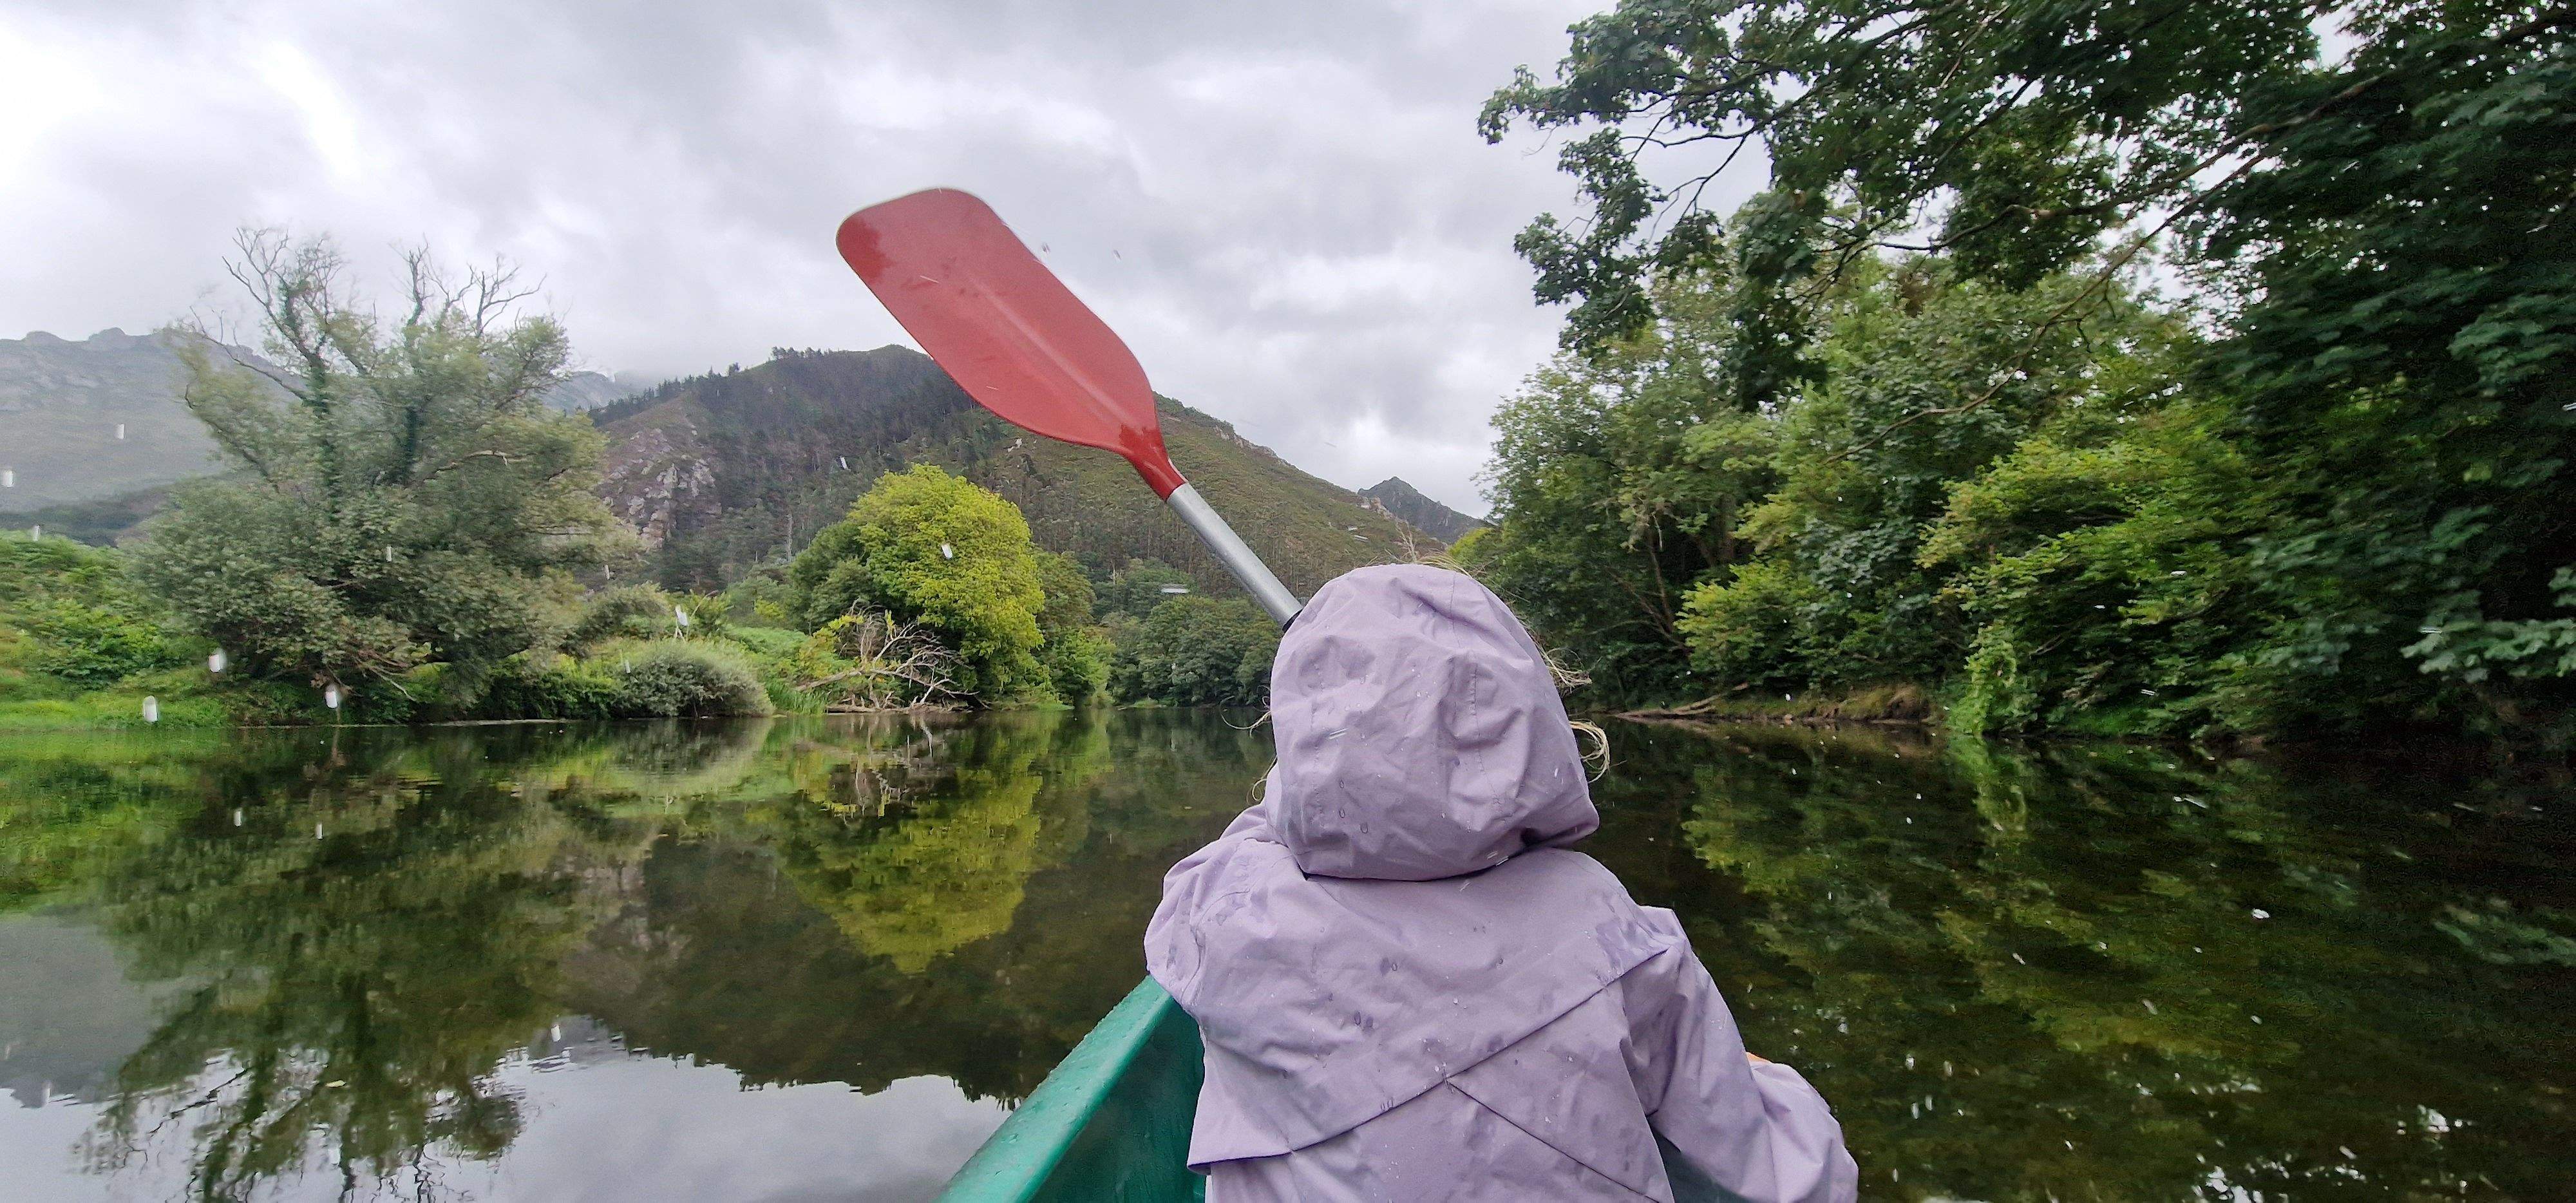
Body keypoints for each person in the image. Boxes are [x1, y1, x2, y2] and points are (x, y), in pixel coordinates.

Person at [1146, 564, 1859, 1202]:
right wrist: (1780, 1088)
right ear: (1535, 716)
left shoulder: (1226, 908)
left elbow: (1256, 832)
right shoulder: (1612, 924)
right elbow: (1789, 1182)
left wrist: (1323, 767)